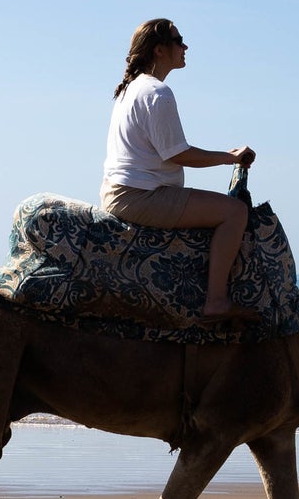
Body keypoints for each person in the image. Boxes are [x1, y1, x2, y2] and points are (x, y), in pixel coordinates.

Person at [99, 17, 256, 321]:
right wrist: (230, 157)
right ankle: (216, 301)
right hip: (141, 196)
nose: (185, 46)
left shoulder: (131, 89)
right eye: (178, 40)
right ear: (159, 50)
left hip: (121, 191)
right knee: (235, 213)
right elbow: (179, 155)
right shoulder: (157, 93)